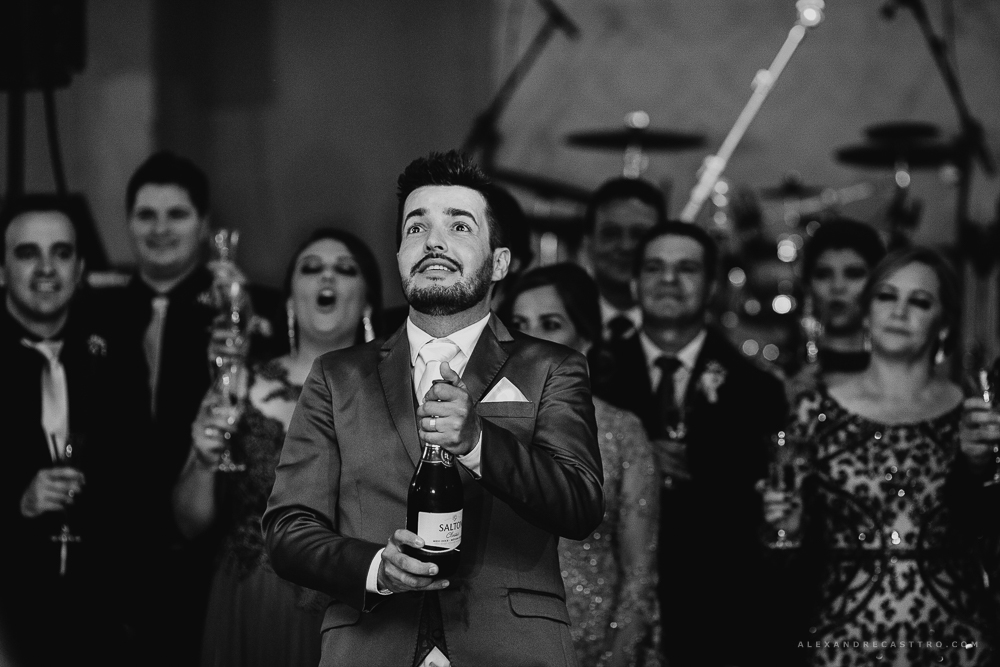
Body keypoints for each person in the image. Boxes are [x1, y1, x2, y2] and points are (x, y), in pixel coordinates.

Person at [263, 150, 604, 667]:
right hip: (371, 646)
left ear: (500, 262)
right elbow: (289, 527)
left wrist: (479, 444)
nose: (434, 242)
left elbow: (579, 504)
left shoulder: (551, 368)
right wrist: (377, 567)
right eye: (416, 228)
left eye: (459, 226)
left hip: (512, 651)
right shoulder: (338, 376)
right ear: (399, 255)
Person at [88, 150, 285, 665]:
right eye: (145, 215)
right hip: (112, 552)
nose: (159, 229)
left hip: (210, 548)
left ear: (203, 225)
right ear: (128, 223)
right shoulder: (95, 311)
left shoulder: (246, 310)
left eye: (176, 214)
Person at [765, 246, 999, 666]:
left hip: (957, 639)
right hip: (843, 640)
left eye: (920, 301)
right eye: (887, 296)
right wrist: (786, 529)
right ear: (867, 312)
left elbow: (984, 534)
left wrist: (977, 465)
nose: (899, 312)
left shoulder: (973, 416)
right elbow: (783, 555)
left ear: (943, 323)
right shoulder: (813, 412)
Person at [173, 228, 382, 667]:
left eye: (344, 270)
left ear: (367, 302)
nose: (327, 278)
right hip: (253, 599)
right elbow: (190, 523)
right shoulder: (237, 386)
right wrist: (205, 460)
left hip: (351, 607)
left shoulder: (393, 398)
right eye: (311, 269)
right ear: (289, 300)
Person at [592, 220, 788, 667]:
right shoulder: (591, 375)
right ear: (635, 282)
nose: (668, 280)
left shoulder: (757, 388)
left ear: (712, 285)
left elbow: (762, 502)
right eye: (655, 268)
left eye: (686, 269)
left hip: (718, 609)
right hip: (611, 600)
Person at [0, 195, 148, 667]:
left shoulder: (115, 349)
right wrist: (16, 502)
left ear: (81, 267)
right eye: (27, 253)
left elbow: (139, 470)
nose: (46, 268)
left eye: (61, 253)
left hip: (100, 612)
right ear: (1, 269)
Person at [500, 263, 660, 667]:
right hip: (496, 642)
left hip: (592, 646)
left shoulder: (621, 432)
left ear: (584, 338)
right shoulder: (478, 427)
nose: (530, 338)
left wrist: (618, 653)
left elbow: (640, 569)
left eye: (550, 323)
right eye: (519, 323)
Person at [786, 218, 886, 401]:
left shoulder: (899, 379)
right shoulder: (785, 379)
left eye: (853, 274)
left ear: (877, 285)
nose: (837, 287)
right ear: (808, 285)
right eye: (823, 274)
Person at [583, 177, 666, 343]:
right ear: (588, 244)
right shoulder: (561, 325)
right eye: (611, 233)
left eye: (639, 235)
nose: (626, 246)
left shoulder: (683, 330)